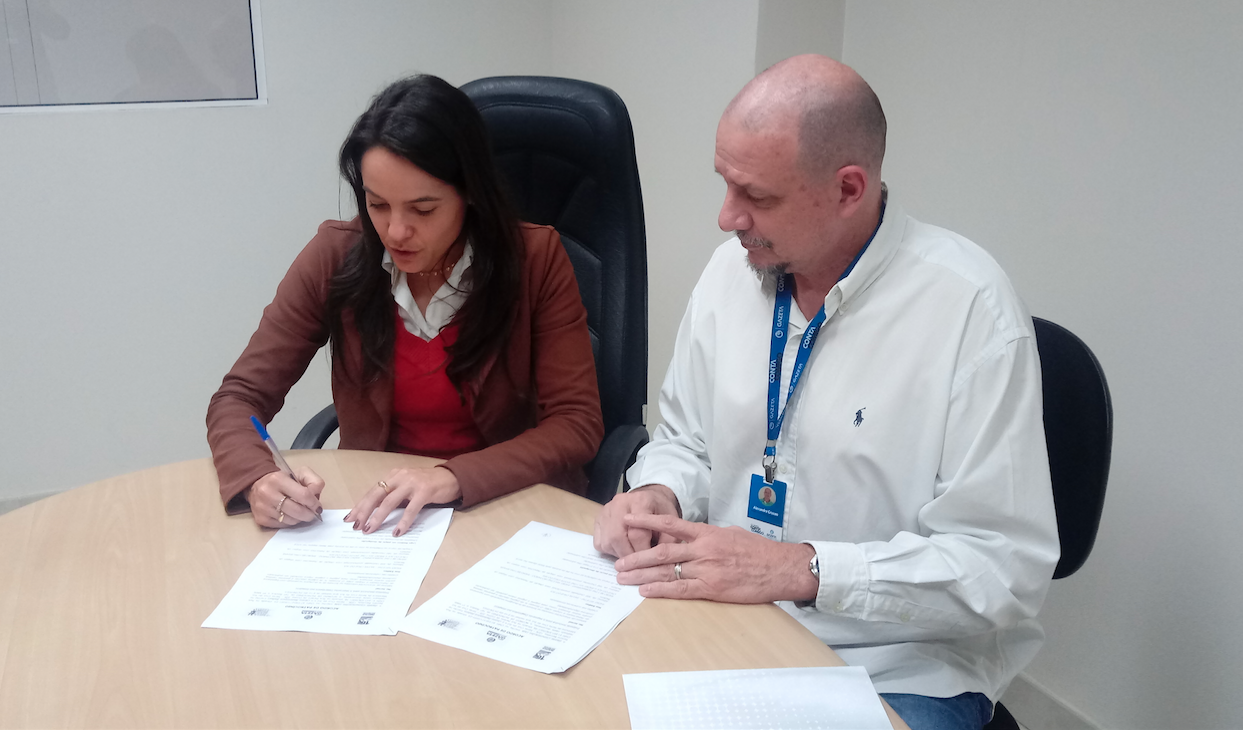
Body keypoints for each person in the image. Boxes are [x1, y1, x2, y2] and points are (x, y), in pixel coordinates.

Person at [593, 55, 1058, 730]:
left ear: (847, 189)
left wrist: (803, 570)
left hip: (893, 667)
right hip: (723, 621)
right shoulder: (729, 274)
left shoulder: (970, 310)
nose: (726, 217)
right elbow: (686, 440)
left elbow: (1001, 567)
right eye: (725, 184)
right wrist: (658, 493)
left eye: (757, 197)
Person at [208, 75, 603, 537]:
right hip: (380, 516)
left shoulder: (534, 259)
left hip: (502, 508)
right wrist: (258, 477)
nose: (395, 232)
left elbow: (576, 424)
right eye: (378, 204)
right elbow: (238, 398)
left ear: (470, 193)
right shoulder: (335, 255)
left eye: (423, 209)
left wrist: (451, 477)